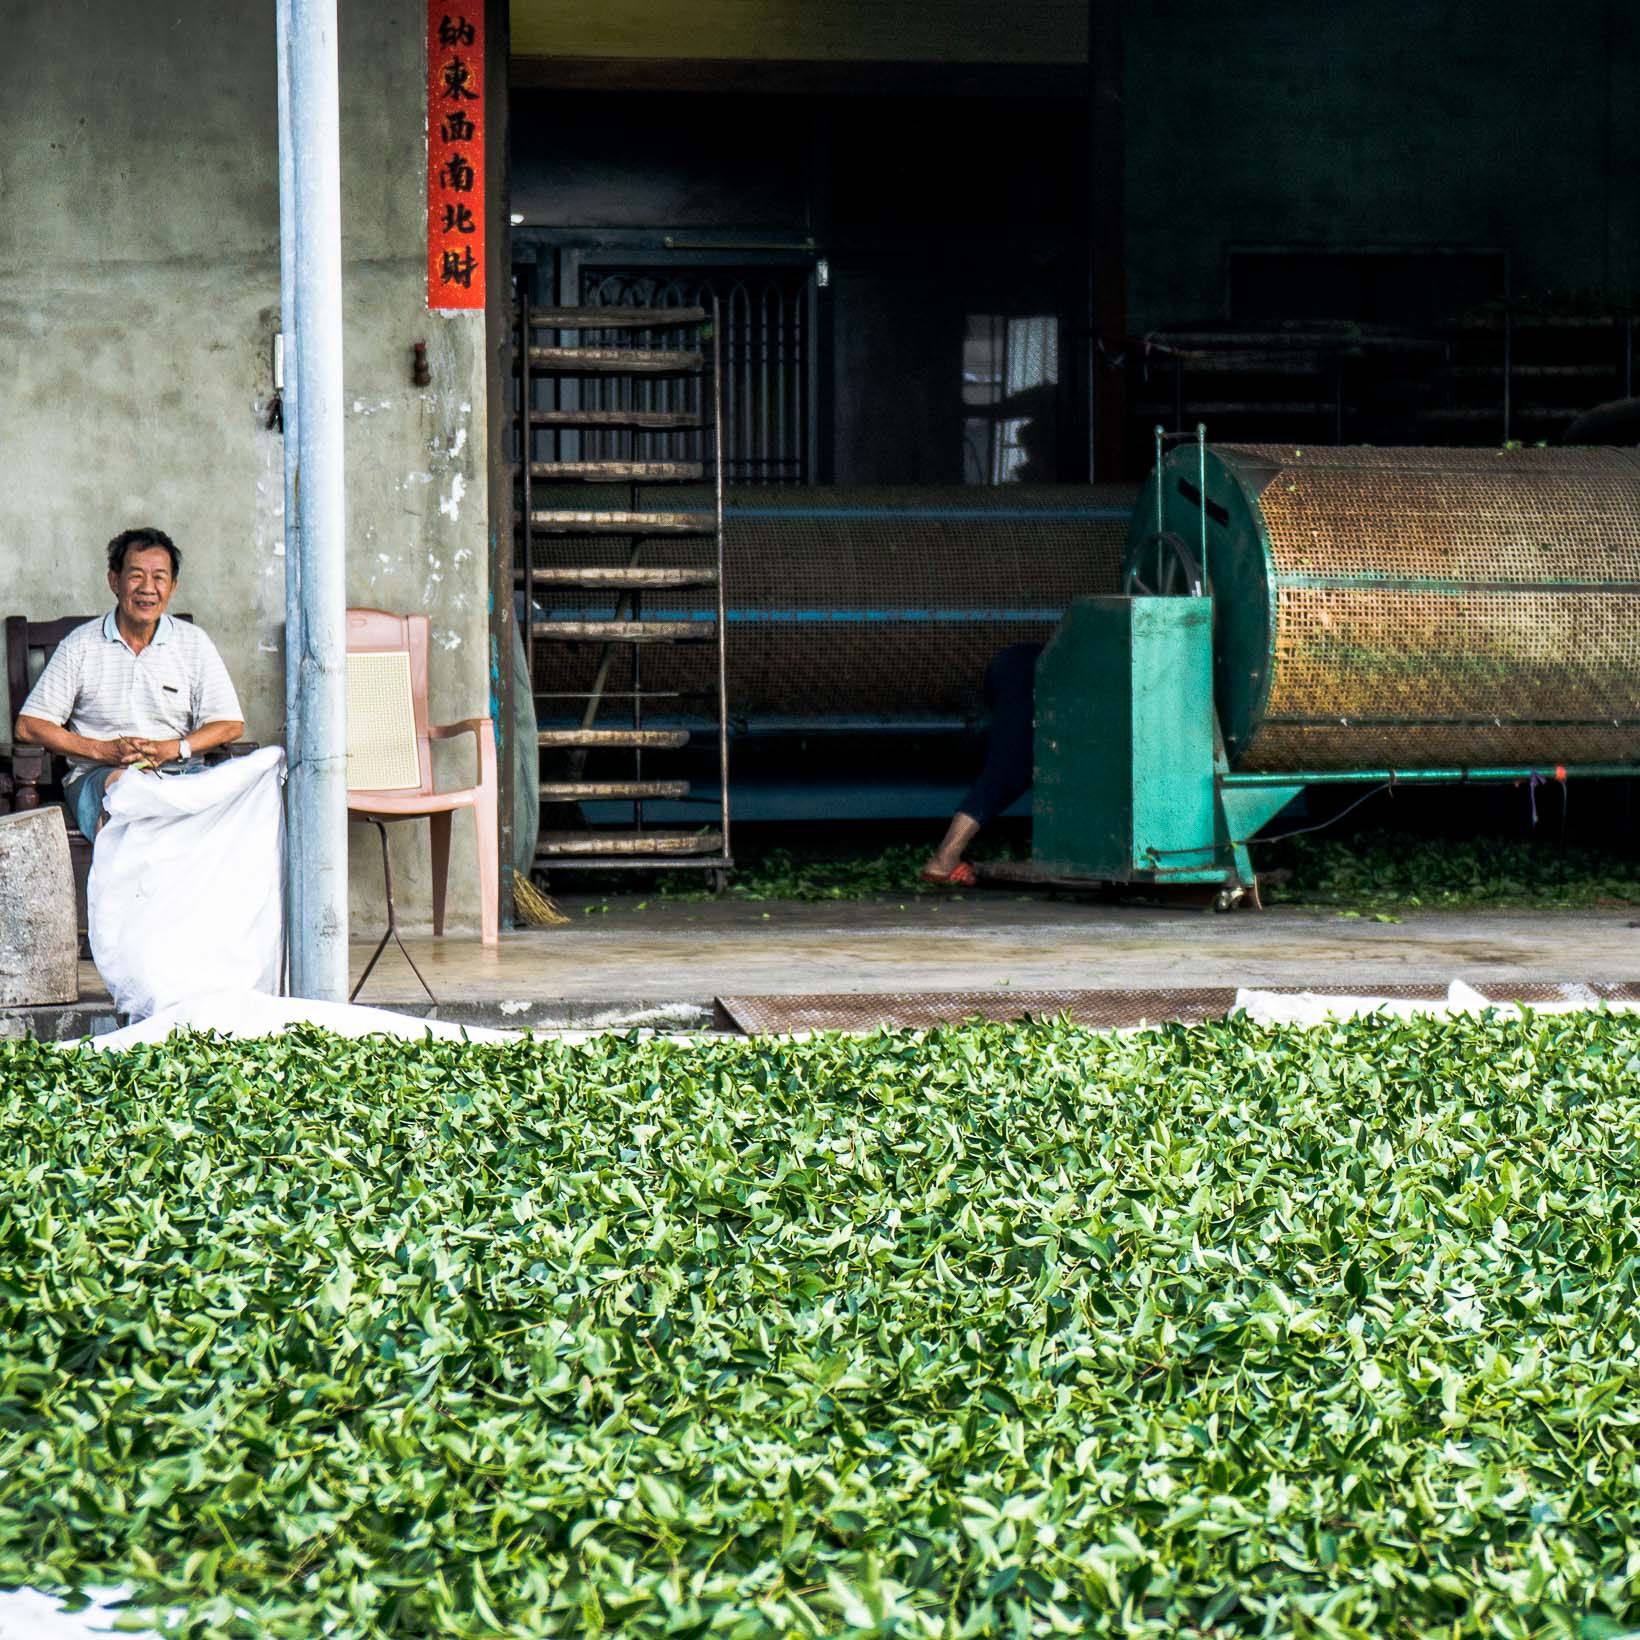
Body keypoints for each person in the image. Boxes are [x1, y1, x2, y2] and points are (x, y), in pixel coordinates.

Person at [14, 527, 245, 839]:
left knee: (250, 787)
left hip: (181, 774)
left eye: (159, 577)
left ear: (173, 586)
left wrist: (174, 749)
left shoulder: (194, 643)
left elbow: (229, 724)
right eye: (136, 575)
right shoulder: (81, 645)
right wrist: (102, 751)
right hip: (103, 776)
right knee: (127, 791)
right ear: (115, 581)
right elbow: (29, 725)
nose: (148, 588)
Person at [922, 641, 1043, 885]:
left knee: (1012, 766)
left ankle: (945, 859)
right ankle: (945, 858)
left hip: (1022, 665)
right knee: (1010, 767)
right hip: (1030, 665)